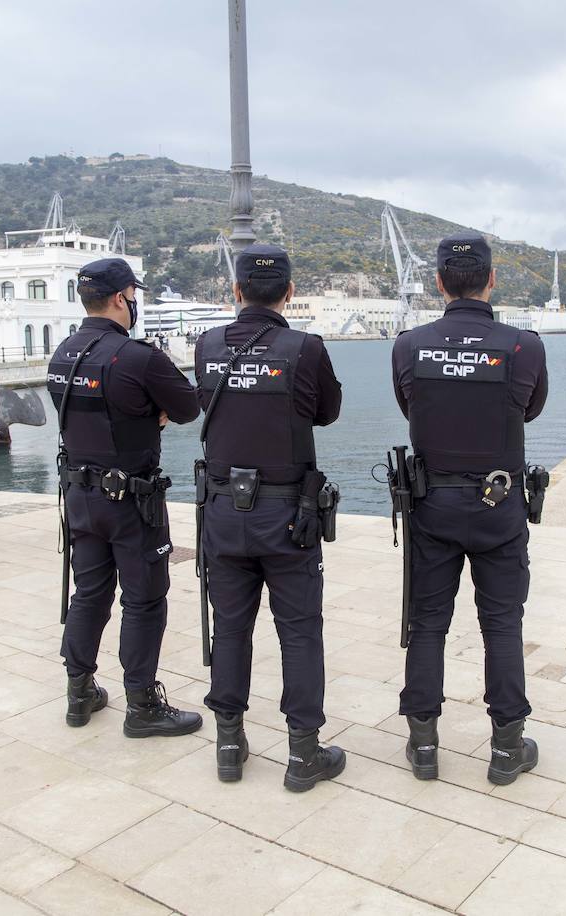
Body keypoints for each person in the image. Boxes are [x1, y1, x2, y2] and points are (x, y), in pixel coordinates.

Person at [391, 232, 548, 786]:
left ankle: (424, 743)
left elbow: (410, 404)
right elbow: (529, 409)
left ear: (437, 283)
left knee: (428, 623)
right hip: (499, 505)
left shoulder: (410, 346)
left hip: (432, 504)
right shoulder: (524, 346)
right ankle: (507, 747)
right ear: (492, 278)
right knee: (502, 623)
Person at [196, 243, 346, 792]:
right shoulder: (304, 348)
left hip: (222, 510)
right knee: (300, 632)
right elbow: (327, 412)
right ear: (290, 292)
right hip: (287, 514)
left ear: (236, 291)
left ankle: (229, 745)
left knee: (231, 628)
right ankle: (304, 754)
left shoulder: (207, 344)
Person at [47, 257, 204, 736]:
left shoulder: (62, 354)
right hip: (131, 500)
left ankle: (80, 692)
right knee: (144, 599)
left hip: (79, 497)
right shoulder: (139, 357)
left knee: (90, 591)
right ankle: (142, 705)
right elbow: (188, 406)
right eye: (133, 296)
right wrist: (149, 415)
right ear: (121, 299)